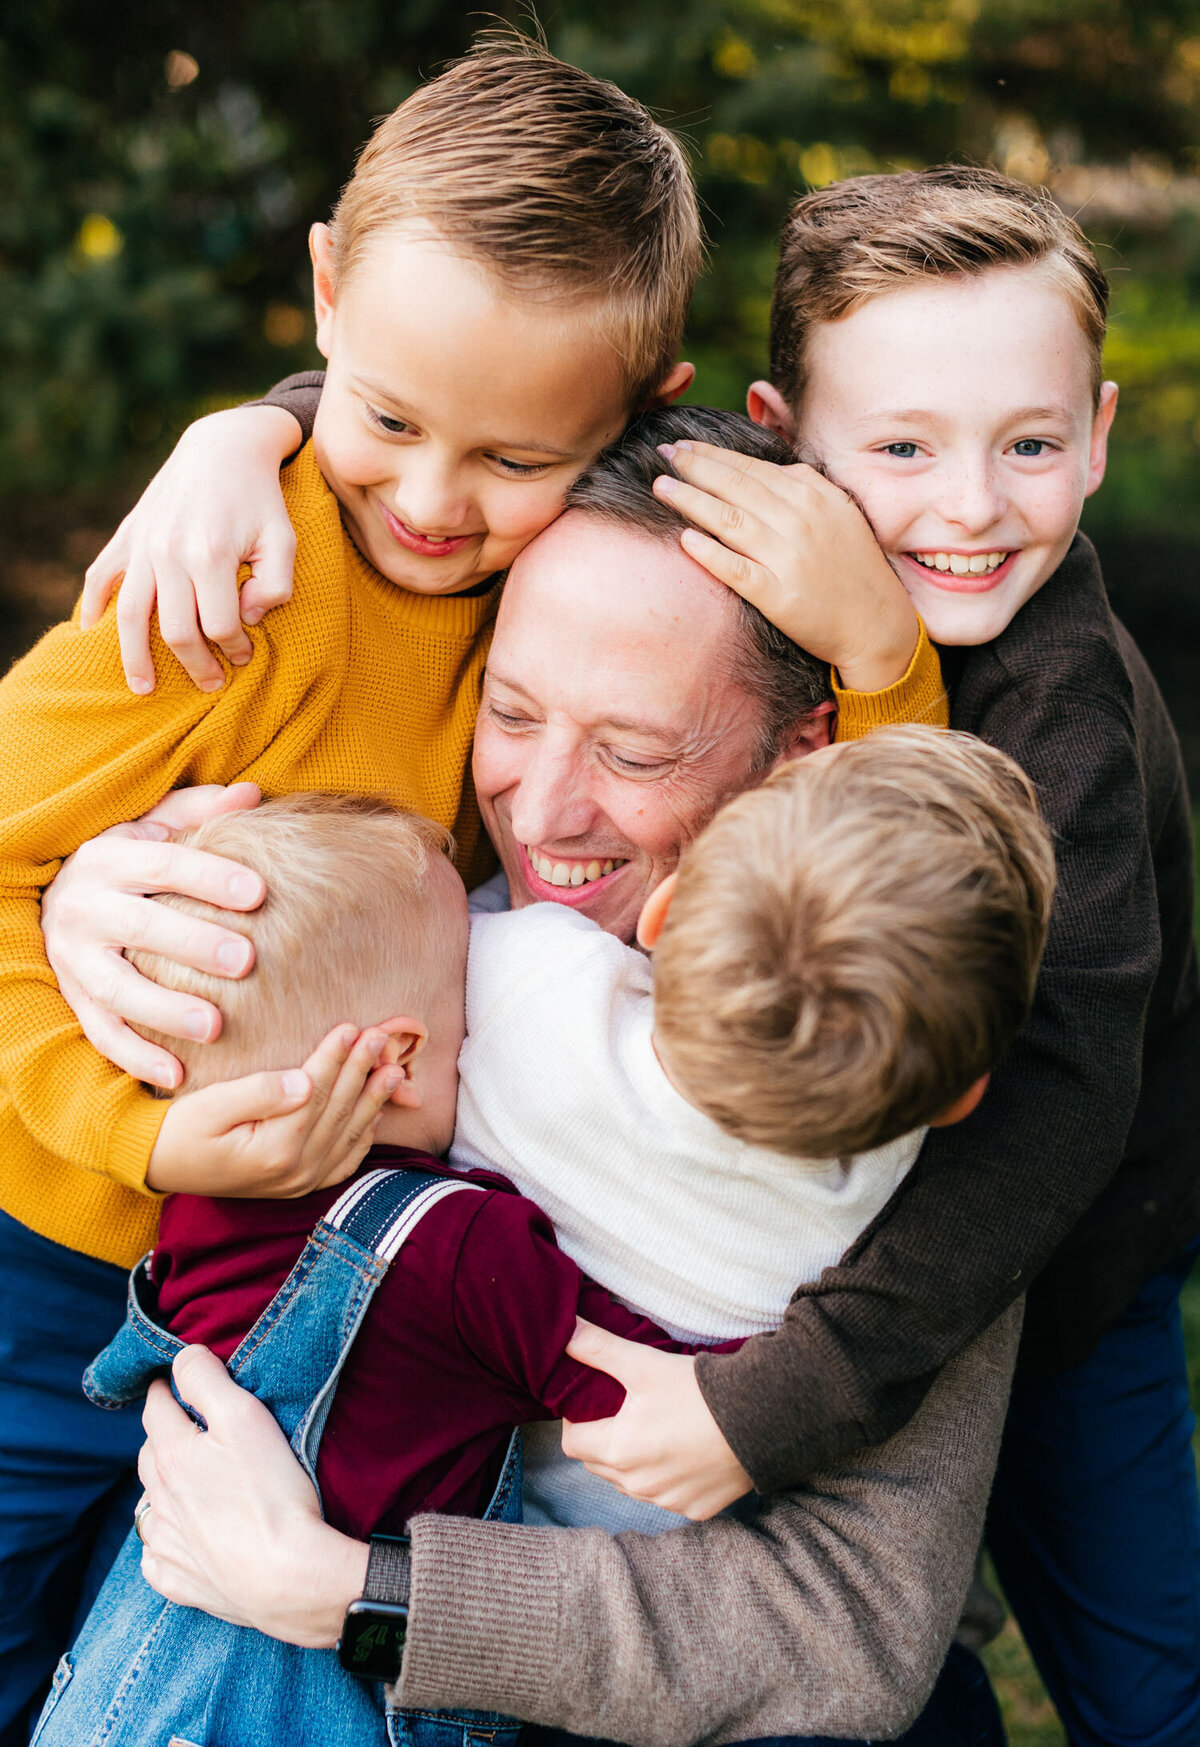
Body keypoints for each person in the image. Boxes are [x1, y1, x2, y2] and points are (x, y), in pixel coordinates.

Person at [43, 410, 1017, 1746]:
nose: (545, 808)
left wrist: (350, 1592)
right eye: (511, 709)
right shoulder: (405, 897)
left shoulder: (893, 1018)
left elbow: (847, 1624)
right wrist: (68, 903)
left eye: (635, 752)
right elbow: (456, 380)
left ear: (803, 755)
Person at [610, 166, 1198, 1745]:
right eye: (901, 448)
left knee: (1148, 1684)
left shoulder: (1062, 718)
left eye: (1029, 443)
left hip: (1066, 1271)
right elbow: (488, 424)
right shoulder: (744, 514)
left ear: (1099, 431)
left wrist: (781, 1399)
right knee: (868, 1634)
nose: (968, 506)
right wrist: (265, 428)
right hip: (824, 1215)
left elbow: (1056, 1106)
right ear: (776, 432)